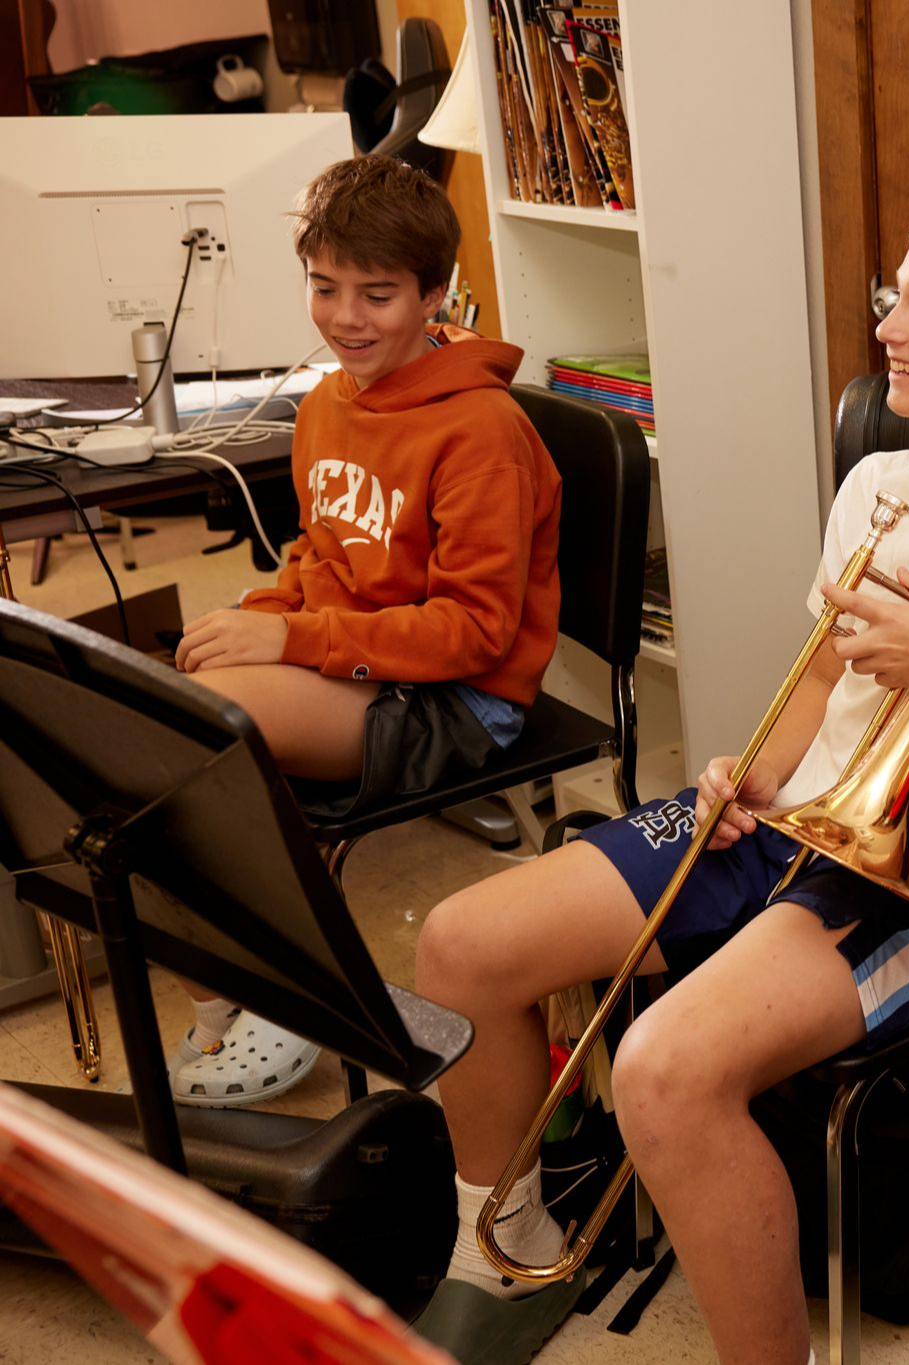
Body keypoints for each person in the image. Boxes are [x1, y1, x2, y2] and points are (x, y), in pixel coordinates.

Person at [409, 181, 909, 1365]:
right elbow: (827, 695)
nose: (889, 324)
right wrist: (750, 776)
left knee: (664, 1072)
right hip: (802, 819)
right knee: (459, 948)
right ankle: (502, 1246)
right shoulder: (876, 485)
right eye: (896, 296)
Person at [168, 154, 562, 1108]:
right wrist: (263, 616)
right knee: (152, 714)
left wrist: (290, 644)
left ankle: (302, 994)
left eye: (377, 295)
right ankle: (235, 976)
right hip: (364, 661)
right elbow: (318, 557)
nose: (346, 317)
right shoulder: (326, 405)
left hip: (462, 696)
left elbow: (473, 634)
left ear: (435, 295)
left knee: (215, 734)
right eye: (325, 286)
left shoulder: (481, 433)